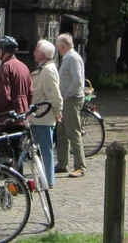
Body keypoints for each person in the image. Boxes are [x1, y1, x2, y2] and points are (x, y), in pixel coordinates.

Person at [31, 39, 63, 188]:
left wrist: (58, 111)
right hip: (37, 116)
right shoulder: (44, 68)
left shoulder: (48, 70)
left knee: (46, 150)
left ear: (42, 55)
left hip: (44, 116)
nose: (34, 53)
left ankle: (49, 180)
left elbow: (54, 95)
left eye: (37, 51)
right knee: (35, 149)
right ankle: (40, 178)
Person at [54, 33, 87, 178]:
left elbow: (78, 80)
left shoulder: (72, 58)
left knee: (73, 133)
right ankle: (62, 163)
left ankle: (80, 166)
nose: (57, 50)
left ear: (62, 46)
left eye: (58, 47)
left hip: (71, 100)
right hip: (65, 100)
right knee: (61, 133)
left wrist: (67, 95)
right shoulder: (68, 57)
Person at [0, 36, 31, 128]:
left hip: (8, 119)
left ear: (3, 51)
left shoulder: (5, 68)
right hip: (23, 116)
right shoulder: (24, 67)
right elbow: (30, 92)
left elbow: (2, 96)